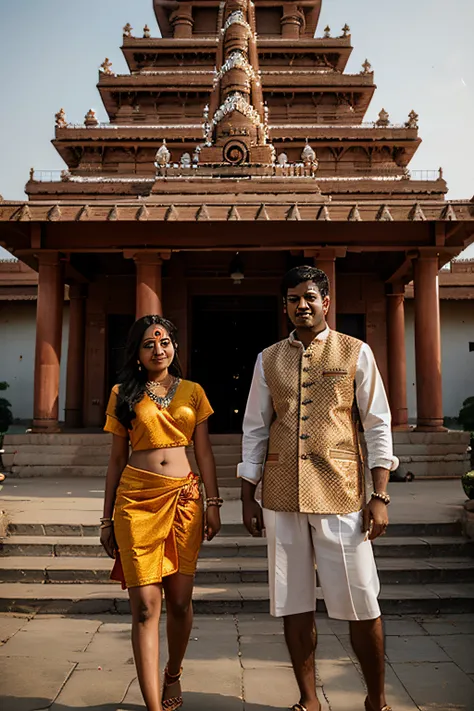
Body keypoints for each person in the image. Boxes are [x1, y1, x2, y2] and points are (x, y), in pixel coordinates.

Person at [238, 266, 398, 711]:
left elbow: (378, 425)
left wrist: (379, 495)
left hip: (342, 494)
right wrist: (247, 494)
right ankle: (309, 699)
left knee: (362, 600)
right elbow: (255, 428)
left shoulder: (355, 352)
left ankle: (376, 699)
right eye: (293, 299)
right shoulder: (268, 358)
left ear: (326, 301)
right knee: (292, 600)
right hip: (281, 496)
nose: (301, 305)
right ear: (285, 305)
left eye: (310, 297)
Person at [101, 315, 222, 711]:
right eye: (149, 344)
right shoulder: (123, 393)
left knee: (181, 602)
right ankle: (153, 707)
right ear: (136, 353)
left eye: (165, 342)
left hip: (185, 501)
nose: (159, 350)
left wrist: (214, 503)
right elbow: (116, 459)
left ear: (175, 347)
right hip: (135, 502)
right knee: (144, 608)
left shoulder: (193, 391)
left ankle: (173, 673)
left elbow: (203, 451)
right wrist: (106, 519)